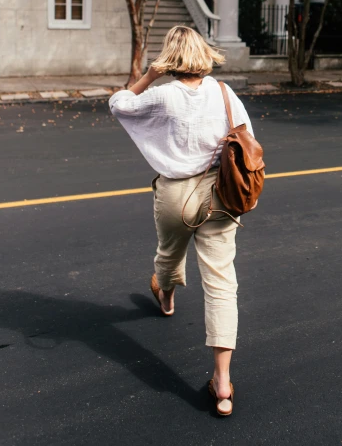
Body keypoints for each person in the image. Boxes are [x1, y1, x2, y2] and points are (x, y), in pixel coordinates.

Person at [109, 25, 255, 416]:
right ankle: (222, 383)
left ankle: (167, 293)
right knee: (222, 282)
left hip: (175, 193)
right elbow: (247, 140)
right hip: (220, 195)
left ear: (170, 57)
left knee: (169, 253)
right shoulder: (224, 94)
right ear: (205, 54)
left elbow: (118, 104)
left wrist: (150, 75)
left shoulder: (162, 95)